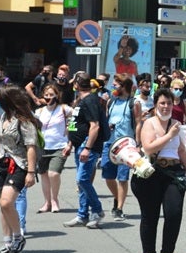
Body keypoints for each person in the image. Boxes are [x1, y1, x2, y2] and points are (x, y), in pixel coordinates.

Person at [131, 89, 186, 253]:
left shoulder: (176, 123)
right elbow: (148, 148)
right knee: (150, 215)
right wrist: (169, 136)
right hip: (152, 173)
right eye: (162, 103)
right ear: (156, 104)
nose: (166, 107)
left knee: (174, 213)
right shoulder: (149, 123)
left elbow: (181, 150)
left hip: (173, 172)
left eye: (169, 103)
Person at [0, 85, 39, 253]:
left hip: (19, 165)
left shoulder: (24, 120)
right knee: (3, 206)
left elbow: (31, 147)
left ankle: (18, 237)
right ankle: (7, 242)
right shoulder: (4, 116)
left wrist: (31, 172)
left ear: (7, 100)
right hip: (2, 164)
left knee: (6, 203)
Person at [62, 74, 109, 229]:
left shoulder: (90, 100)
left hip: (87, 146)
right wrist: (70, 144)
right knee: (81, 181)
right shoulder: (81, 101)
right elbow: (76, 124)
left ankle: (97, 210)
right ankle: (83, 214)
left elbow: (94, 126)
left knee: (82, 179)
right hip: (78, 145)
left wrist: (88, 148)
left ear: (76, 84)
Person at [103, 74, 137, 220]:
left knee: (122, 178)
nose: (113, 87)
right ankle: (118, 197)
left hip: (125, 145)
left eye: (116, 84)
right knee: (108, 175)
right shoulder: (111, 102)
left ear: (125, 87)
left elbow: (139, 123)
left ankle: (119, 208)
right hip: (109, 143)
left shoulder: (133, 103)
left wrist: (139, 144)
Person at [35, 84, 72, 213]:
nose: (48, 97)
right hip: (43, 147)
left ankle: (55, 199)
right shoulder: (39, 112)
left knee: (53, 173)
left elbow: (73, 123)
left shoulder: (64, 109)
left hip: (60, 146)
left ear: (57, 95)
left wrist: (70, 142)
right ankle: (47, 202)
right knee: (44, 174)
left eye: (51, 95)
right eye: (46, 95)